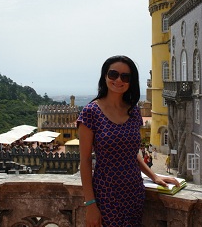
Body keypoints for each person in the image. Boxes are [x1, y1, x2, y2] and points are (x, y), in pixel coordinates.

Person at [77, 55, 180, 227]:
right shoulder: (91, 112)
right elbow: (85, 161)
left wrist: (153, 176)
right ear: (105, 76)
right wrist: (90, 205)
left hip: (134, 192)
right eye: (113, 74)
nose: (119, 80)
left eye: (125, 77)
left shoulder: (133, 111)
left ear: (131, 81)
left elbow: (132, 152)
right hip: (106, 192)